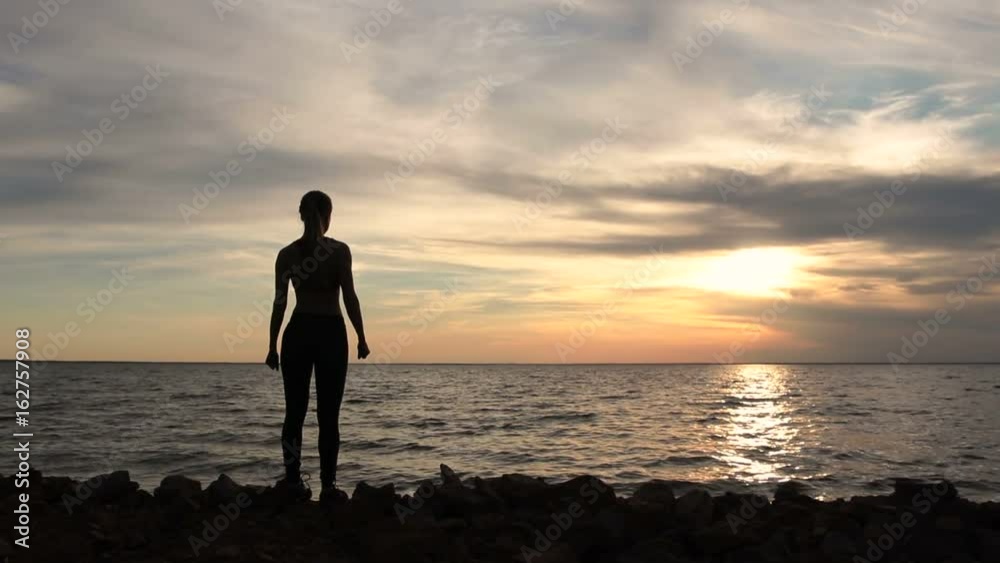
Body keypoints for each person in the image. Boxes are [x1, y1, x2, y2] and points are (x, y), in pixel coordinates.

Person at [265, 190, 370, 504]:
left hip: (297, 333)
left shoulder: (286, 255)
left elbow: (279, 304)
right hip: (330, 334)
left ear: (300, 215)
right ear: (329, 216)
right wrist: (362, 336)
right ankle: (328, 486)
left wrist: (271, 345)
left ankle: (293, 482)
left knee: (294, 413)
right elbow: (349, 296)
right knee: (329, 415)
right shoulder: (339, 252)